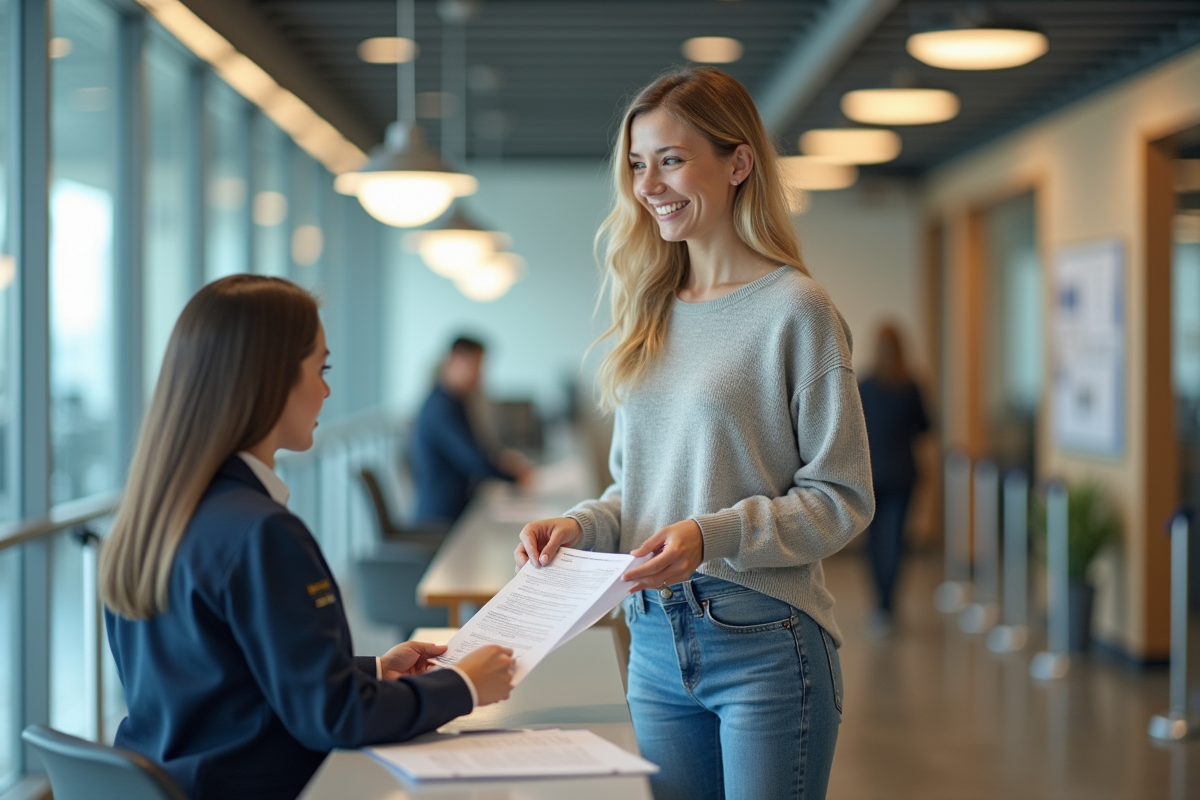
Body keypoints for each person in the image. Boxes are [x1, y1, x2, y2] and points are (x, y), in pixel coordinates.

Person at [513, 67, 874, 800]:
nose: (649, 184)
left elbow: (842, 497)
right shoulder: (649, 310)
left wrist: (713, 536)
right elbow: (636, 493)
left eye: (671, 159)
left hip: (765, 643)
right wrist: (580, 527)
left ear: (738, 163)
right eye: (639, 165)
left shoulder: (796, 311)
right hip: (650, 641)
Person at [100, 276, 516, 800]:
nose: (326, 390)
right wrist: (464, 685)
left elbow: (214, 681)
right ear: (270, 378)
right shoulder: (262, 532)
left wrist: (370, 671)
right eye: (321, 369)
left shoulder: (151, 518)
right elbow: (337, 719)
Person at [409, 336, 532, 525]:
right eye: (476, 367)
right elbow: (474, 461)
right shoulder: (441, 408)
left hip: (459, 511)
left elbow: (479, 449)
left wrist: (503, 462)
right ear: (456, 360)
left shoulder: (454, 401)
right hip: (441, 521)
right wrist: (515, 477)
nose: (479, 376)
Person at [857, 323, 929, 636]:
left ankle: (880, 603)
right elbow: (925, 428)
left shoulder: (865, 385)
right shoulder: (911, 386)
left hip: (870, 475)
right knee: (897, 541)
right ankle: (889, 603)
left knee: (872, 543)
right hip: (902, 474)